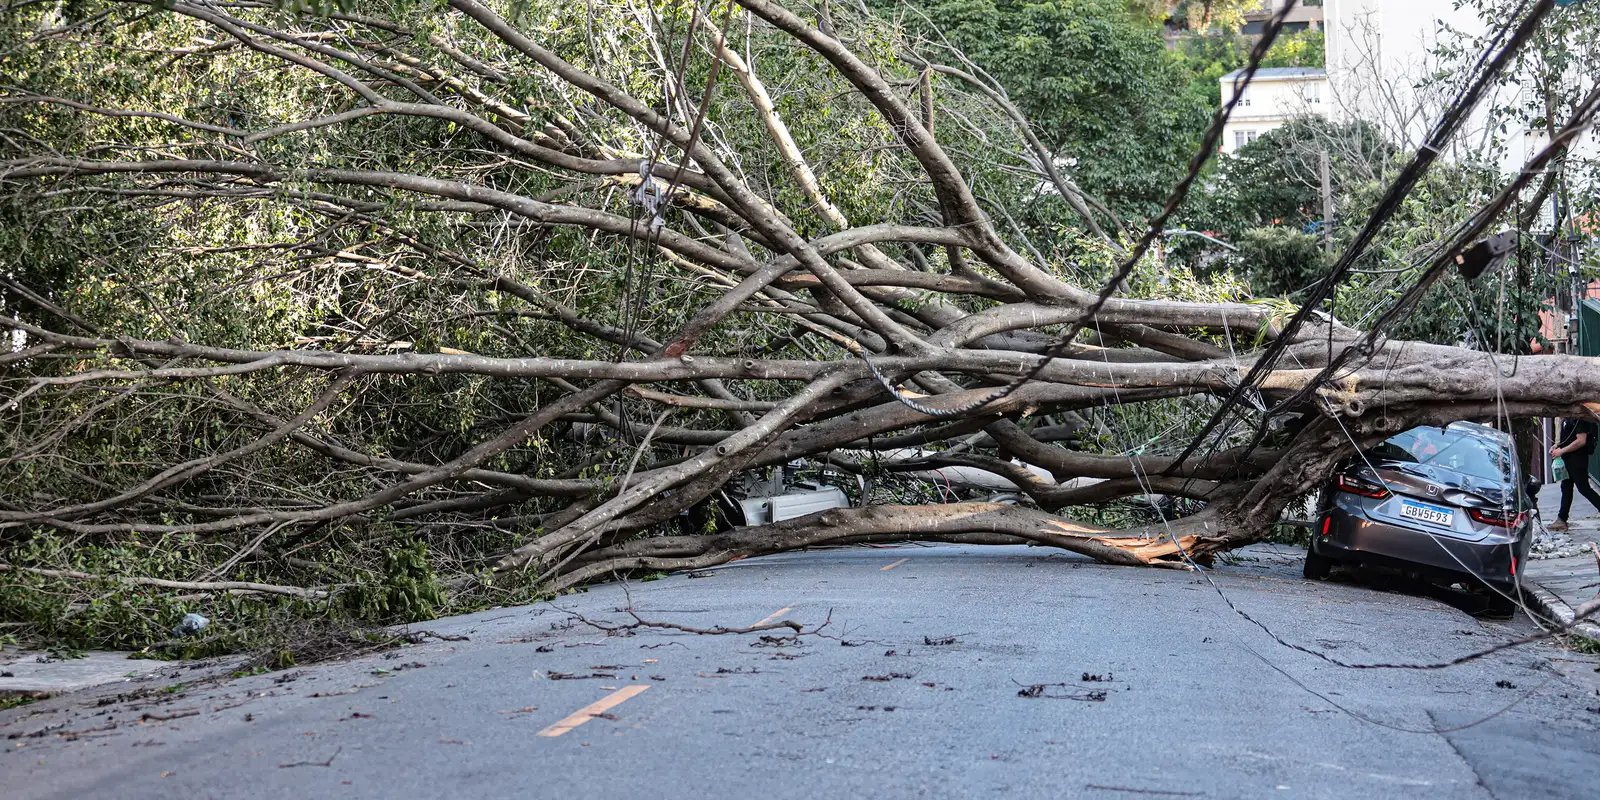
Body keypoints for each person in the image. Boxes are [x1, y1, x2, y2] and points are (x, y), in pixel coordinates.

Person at [1548, 416, 1600, 531]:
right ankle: (1561, 519)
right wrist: (1557, 446)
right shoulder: (1567, 417)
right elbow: (1569, 438)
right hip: (1567, 458)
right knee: (1566, 488)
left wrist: (1561, 451)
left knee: (1584, 488)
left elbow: (1581, 440)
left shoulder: (1579, 418)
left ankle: (1561, 519)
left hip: (1577, 459)